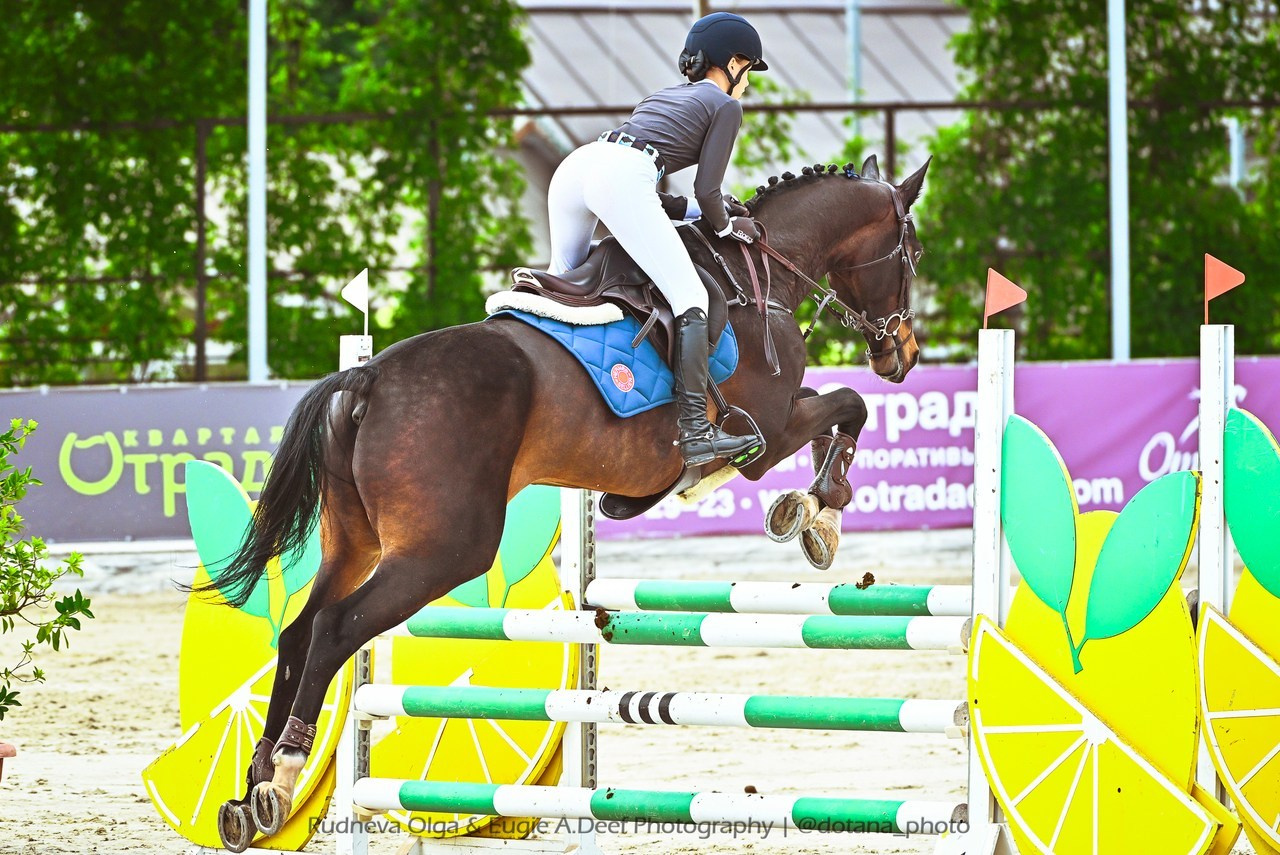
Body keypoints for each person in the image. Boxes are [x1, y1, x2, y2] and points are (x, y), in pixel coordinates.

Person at [546, 12, 768, 468]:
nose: (747, 83)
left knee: (561, 286)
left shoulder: (663, 96)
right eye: (749, 71)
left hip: (579, 166)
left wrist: (710, 207)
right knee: (691, 298)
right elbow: (704, 191)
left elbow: (649, 196)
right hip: (622, 176)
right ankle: (695, 432)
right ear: (735, 62)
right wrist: (727, 224)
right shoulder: (726, 107)